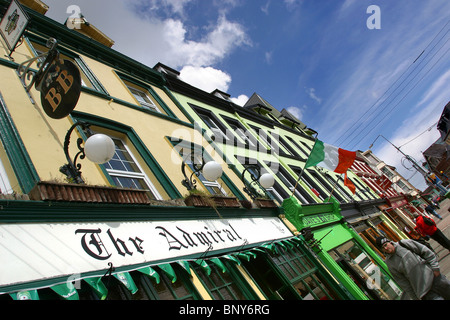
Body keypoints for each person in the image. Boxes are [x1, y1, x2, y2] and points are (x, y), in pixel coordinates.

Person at [376, 236, 450, 300]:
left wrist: (435, 269)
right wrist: (415, 297)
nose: (386, 248)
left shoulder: (404, 244)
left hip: (435, 279)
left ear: (390, 242)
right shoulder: (390, 263)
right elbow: (404, 283)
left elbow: (426, 251)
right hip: (424, 292)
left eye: (386, 245)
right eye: (383, 248)